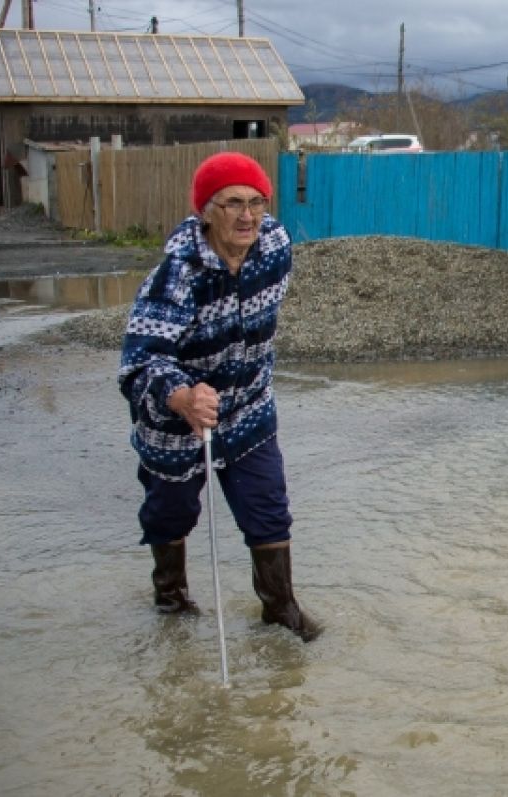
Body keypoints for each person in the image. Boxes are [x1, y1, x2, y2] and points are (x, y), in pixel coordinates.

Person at [119, 151, 321, 642]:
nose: (247, 215)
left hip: (248, 405)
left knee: (267, 504)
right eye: (232, 203)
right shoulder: (176, 277)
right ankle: (171, 602)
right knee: (171, 512)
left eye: (256, 202)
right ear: (205, 211)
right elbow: (140, 360)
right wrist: (182, 395)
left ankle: (281, 612)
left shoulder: (276, 247)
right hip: (177, 417)